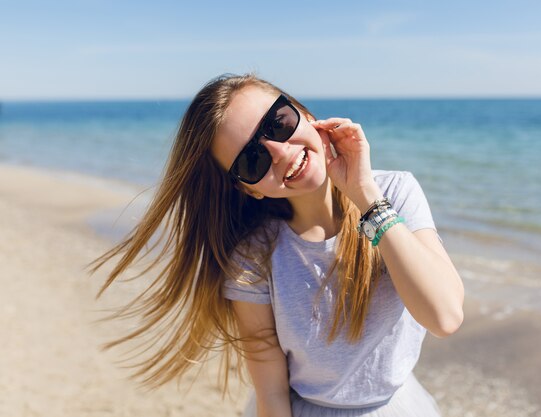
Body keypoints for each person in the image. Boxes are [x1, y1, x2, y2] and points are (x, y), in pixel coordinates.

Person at [90, 73, 464, 417]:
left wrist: (365, 196)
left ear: (302, 110)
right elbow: (271, 390)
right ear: (248, 188)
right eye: (254, 160)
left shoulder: (393, 193)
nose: (282, 153)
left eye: (279, 123)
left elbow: (444, 316)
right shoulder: (255, 256)